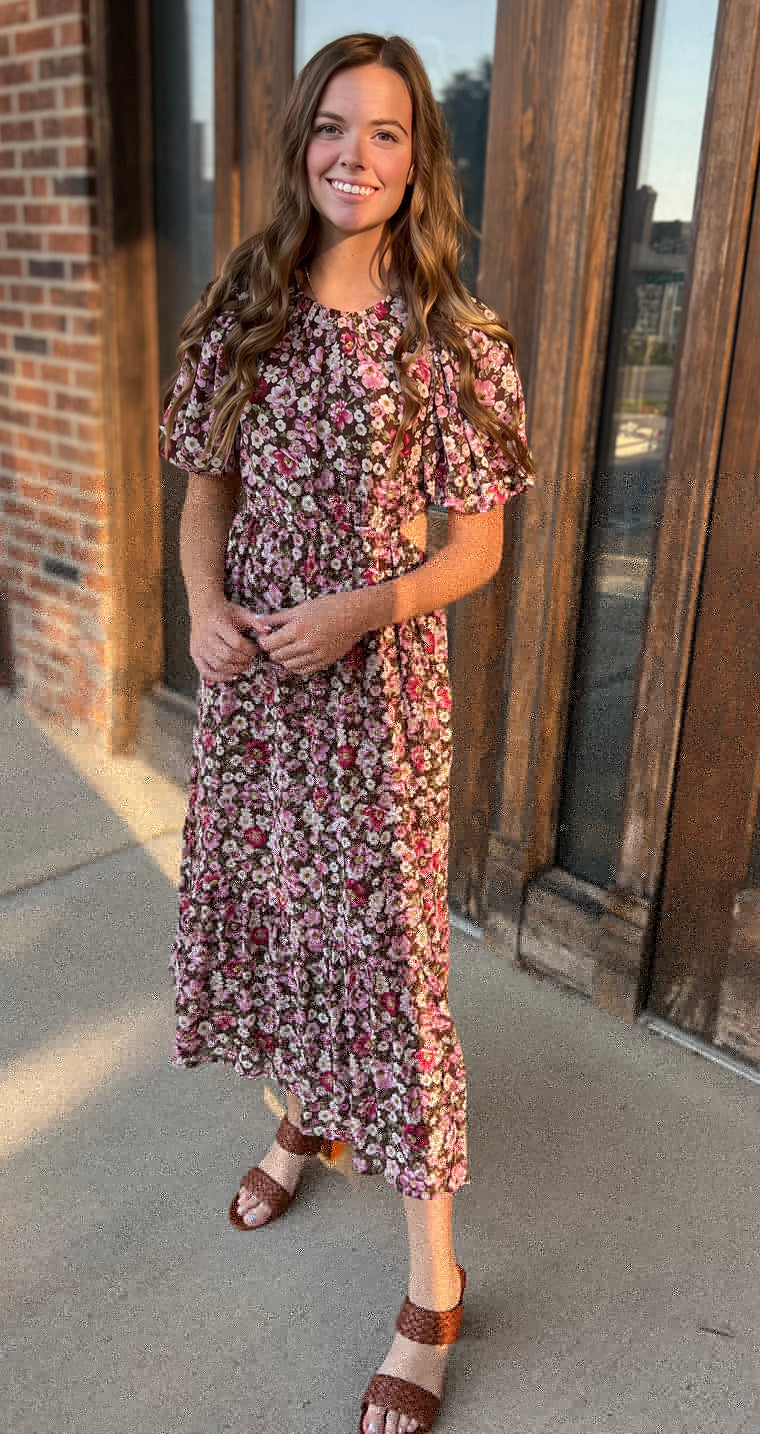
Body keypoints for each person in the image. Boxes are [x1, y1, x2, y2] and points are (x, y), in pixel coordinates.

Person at [160, 31, 533, 1434]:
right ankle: (304, 1116)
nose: (354, 157)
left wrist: (363, 607)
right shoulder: (243, 305)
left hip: (374, 703)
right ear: (299, 144)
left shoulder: (452, 336)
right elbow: (205, 491)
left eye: (386, 133)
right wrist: (205, 605)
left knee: (388, 969)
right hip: (258, 690)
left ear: (418, 157)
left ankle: (432, 1287)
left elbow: (477, 549)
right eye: (332, 127)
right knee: (278, 922)